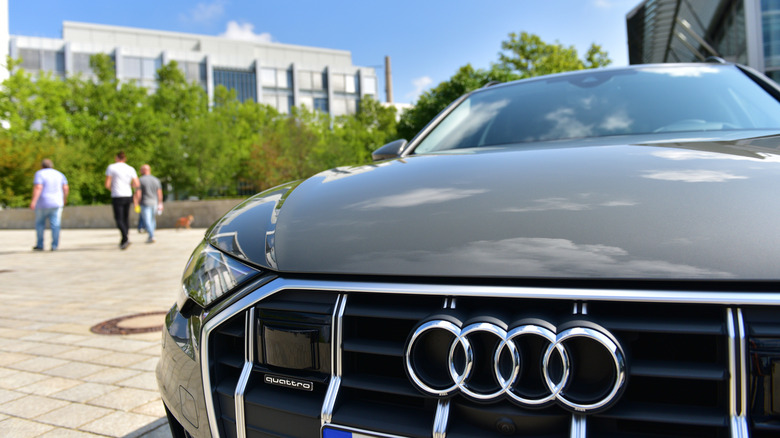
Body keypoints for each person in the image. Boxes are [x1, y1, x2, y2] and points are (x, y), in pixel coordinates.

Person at [30, 158, 69, 251]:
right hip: (56, 202)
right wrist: (64, 198)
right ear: (52, 165)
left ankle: (40, 245)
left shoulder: (40, 173)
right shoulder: (59, 174)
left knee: (40, 224)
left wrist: (33, 201)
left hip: (42, 203)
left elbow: (38, 187)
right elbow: (65, 187)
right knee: (55, 224)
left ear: (42, 166)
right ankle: (54, 245)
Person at [105, 151, 140, 250]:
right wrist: (129, 186)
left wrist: (113, 189)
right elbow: (137, 184)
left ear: (116, 158)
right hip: (127, 195)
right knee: (125, 218)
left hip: (117, 195)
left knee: (119, 219)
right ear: (125, 159)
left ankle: (125, 238)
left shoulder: (111, 167)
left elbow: (107, 184)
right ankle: (124, 239)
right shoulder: (130, 168)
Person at [134, 164, 163, 243]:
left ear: (144, 170)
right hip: (154, 203)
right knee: (152, 220)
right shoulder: (156, 180)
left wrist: (136, 203)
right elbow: (159, 193)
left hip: (145, 203)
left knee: (147, 221)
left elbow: (138, 193)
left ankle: (151, 235)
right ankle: (151, 234)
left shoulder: (140, 180)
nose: (140, 171)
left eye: (141, 169)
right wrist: (160, 203)